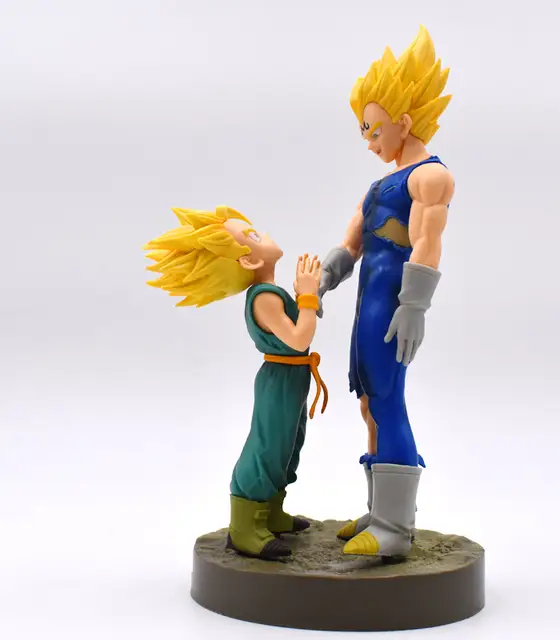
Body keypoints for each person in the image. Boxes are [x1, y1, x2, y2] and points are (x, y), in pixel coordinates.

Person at [318, 25, 455, 558]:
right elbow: (352, 242)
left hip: (392, 306)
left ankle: (395, 529)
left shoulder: (429, 178)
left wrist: (414, 305)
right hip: (367, 305)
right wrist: (323, 278)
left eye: (374, 130)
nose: (370, 142)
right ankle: (380, 512)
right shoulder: (379, 185)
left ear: (404, 122)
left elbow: (427, 243)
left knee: (389, 401)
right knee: (369, 405)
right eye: (364, 133)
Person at [144, 205, 326, 559]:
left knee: (290, 443)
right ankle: (245, 524)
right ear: (248, 260)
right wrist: (307, 295)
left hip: (293, 374)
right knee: (268, 444)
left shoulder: (270, 292)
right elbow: (299, 339)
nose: (264, 233)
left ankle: (270, 510)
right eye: (253, 236)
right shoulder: (265, 298)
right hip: (281, 375)